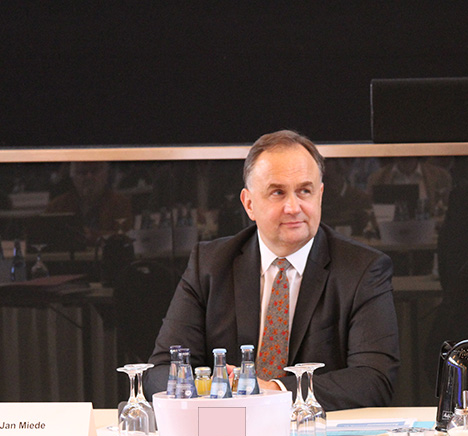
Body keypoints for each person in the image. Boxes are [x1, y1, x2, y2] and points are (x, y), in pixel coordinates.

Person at [144, 130, 400, 410]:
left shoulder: (362, 269)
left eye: (305, 191)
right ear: (249, 204)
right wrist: (215, 391)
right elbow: (160, 371)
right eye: (278, 192)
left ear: (320, 196)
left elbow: (374, 380)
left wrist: (272, 391)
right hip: (228, 435)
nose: (293, 207)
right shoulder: (210, 264)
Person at [46, 161, 133, 246]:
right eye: (82, 172)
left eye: (94, 171)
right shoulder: (56, 207)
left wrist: (94, 236)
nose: (89, 177)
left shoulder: (121, 204)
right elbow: (47, 239)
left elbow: (126, 237)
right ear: (72, 177)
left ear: (106, 175)